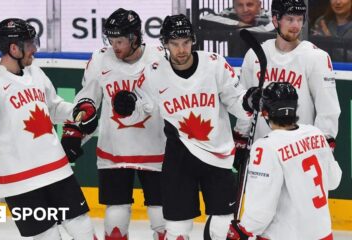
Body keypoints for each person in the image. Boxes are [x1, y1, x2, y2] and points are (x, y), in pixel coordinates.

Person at [0, 18, 97, 240]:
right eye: (30, 44)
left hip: (57, 170)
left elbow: (54, 107)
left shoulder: (36, 72)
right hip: (18, 181)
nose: (34, 50)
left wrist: (77, 111)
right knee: (47, 237)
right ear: (13, 48)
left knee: (83, 228)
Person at [113, 14, 251, 240]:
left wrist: (249, 102)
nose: (181, 49)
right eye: (175, 44)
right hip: (179, 158)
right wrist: (127, 108)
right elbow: (141, 110)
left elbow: (236, 102)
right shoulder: (154, 73)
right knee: (177, 230)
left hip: (217, 156)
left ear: (193, 40)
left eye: (186, 42)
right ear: (165, 44)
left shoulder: (215, 64)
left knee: (222, 227)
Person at [66, 8, 166, 240]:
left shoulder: (160, 56)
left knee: (162, 216)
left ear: (134, 37)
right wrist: (78, 125)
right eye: (111, 40)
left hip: (156, 148)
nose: (114, 46)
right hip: (114, 150)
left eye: (119, 40)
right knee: (115, 217)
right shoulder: (101, 58)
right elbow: (87, 96)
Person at [233, 0, 341, 171]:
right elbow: (245, 102)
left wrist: (323, 147)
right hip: (263, 152)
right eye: (290, 19)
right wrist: (241, 140)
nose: (296, 25)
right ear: (275, 20)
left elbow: (328, 110)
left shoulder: (316, 57)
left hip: (300, 153)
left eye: (299, 19)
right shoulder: (255, 55)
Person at [226, 82, 342, 240]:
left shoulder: (265, 147)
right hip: (323, 234)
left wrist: (244, 230)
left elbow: (261, 209)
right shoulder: (316, 134)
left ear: (265, 113)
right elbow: (334, 181)